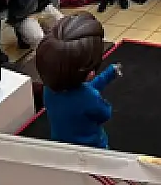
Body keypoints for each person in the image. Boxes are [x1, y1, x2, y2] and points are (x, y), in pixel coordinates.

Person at [36, 13, 121, 148]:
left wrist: (108, 75)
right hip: (92, 147)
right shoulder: (89, 96)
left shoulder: (49, 87)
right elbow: (105, 113)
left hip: (60, 144)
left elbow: (80, 91)